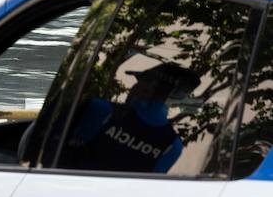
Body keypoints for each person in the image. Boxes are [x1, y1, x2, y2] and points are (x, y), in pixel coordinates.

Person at [60, 62, 200, 174]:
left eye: (139, 81)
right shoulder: (173, 146)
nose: (132, 87)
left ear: (149, 86)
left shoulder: (101, 109)